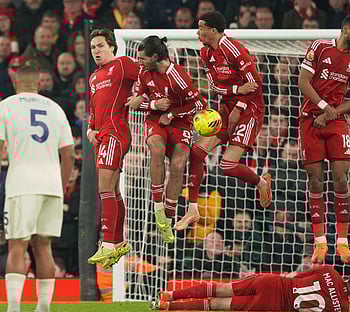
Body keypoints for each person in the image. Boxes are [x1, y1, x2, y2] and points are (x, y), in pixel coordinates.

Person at [175, 11, 271, 231]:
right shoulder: (205, 53)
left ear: (213, 30)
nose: (197, 31)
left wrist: (239, 106)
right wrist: (235, 93)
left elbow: (255, 82)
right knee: (197, 153)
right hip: (226, 108)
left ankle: (262, 183)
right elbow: (215, 87)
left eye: (201, 27)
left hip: (250, 110)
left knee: (227, 165)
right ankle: (192, 208)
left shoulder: (234, 49)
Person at [0, 66, 74, 312]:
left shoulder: (6, 107)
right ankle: (43, 311)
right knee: (44, 248)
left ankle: (12, 311)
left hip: (22, 184)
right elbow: (68, 154)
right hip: (51, 186)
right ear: (39, 83)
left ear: (15, 81)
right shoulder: (55, 109)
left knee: (17, 246)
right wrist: (62, 187)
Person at [298, 15, 350, 265]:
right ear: (346, 28)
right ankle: (320, 242)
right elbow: (303, 82)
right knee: (315, 179)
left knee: (341, 177)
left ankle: (342, 241)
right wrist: (324, 107)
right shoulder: (319, 47)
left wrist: (330, 114)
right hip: (310, 119)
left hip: (336, 121)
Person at [126, 35, 207, 243]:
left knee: (179, 164)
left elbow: (200, 105)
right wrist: (154, 106)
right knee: (156, 149)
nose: (139, 62)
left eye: (142, 58)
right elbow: (135, 102)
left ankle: (169, 216)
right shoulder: (145, 73)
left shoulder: (178, 77)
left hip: (180, 122)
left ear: (155, 57)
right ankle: (158, 207)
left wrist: (171, 114)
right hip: (155, 120)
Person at [86, 28, 139, 269]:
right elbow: (93, 108)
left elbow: (147, 74)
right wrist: (90, 129)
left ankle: (107, 243)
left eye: (100, 46)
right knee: (113, 190)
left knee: (104, 187)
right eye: (93, 47)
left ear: (112, 47)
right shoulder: (94, 77)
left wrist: (143, 98)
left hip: (116, 134)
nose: (96, 50)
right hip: (103, 135)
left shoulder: (123, 65)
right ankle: (118, 242)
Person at [151, 265, 350, 312]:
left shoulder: (331, 272)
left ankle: (170, 294)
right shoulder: (342, 309)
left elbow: (296, 275)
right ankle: (167, 307)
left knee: (220, 289)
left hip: (274, 282)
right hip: (274, 305)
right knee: (218, 305)